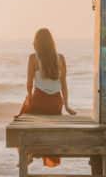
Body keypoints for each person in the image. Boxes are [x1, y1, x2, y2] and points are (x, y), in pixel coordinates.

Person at [17, 28, 75, 167]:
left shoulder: (33, 58)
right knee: (33, 114)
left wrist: (29, 99)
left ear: (37, 42)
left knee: (20, 122)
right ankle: (32, 153)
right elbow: (64, 84)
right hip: (55, 103)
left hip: (39, 100)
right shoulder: (60, 58)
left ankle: (25, 155)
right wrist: (66, 105)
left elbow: (29, 84)